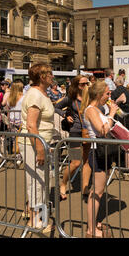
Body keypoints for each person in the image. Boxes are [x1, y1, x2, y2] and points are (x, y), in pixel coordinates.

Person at [17, 63, 55, 233]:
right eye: (50, 73)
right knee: (36, 182)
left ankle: (40, 216)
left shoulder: (41, 93)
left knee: (42, 181)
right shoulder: (34, 95)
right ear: (42, 77)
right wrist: (40, 149)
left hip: (41, 143)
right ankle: (35, 220)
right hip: (33, 144)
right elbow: (32, 125)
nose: (53, 76)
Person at [81, 80, 119, 238]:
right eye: (107, 93)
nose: (109, 96)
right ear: (98, 94)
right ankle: (91, 229)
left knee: (99, 191)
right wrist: (111, 114)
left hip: (103, 153)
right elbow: (102, 130)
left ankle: (94, 222)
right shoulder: (91, 110)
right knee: (97, 192)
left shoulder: (97, 109)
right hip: (97, 153)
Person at [55, 75, 90, 201]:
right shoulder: (71, 98)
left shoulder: (90, 97)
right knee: (76, 162)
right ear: (76, 85)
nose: (85, 86)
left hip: (88, 132)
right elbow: (56, 107)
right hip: (75, 131)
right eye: (82, 84)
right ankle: (63, 183)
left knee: (87, 162)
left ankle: (85, 188)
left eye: (87, 83)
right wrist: (65, 114)